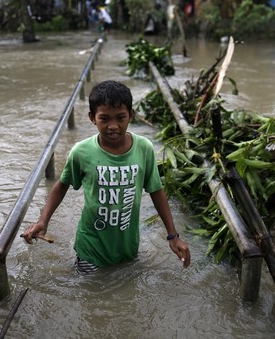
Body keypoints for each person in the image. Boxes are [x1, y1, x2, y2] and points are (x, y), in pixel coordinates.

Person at [22, 80, 191, 274]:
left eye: (120, 118)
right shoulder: (82, 151)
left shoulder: (144, 148)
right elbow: (62, 185)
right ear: (92, 118)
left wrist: (172, 235)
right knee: (92, 295)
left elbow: (156, 190)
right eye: (104, 119)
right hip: (91, 249)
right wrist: (43, 221)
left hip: (127, 247)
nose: (113, 126)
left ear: (131, 116)